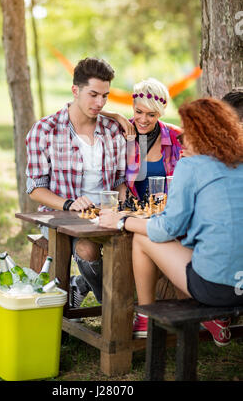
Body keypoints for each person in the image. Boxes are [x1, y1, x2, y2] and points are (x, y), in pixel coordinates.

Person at [99, 98, 243, 347]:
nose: (181, 137)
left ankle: (145, 316)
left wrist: (122, 220)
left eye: (187, 130)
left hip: (218, 289)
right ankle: (215, 318)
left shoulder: (191, 165)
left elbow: (166, 228)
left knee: (144, 237)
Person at [25, 57, 127, 308]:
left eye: (105, 96)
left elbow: (121, 180)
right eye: (93, 94)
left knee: (142, 241)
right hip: (60, 215)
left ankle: (82, 286)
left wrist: (119, 203)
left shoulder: (112, 130)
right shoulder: (45, 130)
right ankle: (116, 311)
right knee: (86, 249)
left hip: (104, 215)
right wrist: (70, 204)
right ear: (75, 90)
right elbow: (35, 189)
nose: (100, 103)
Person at [101, 78, 182, 199]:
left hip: (166, 211)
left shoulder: (177, 137)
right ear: (133, 105)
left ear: (160, 112)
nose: (143, 120)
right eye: (139, 112)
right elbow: (85, 110)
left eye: (151, 114)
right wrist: (116, 116)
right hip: (130, 210)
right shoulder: (119, 131)